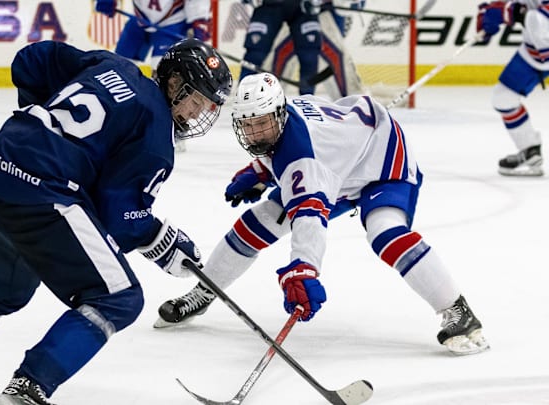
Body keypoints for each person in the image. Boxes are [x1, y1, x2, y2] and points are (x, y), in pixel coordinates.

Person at [0, 38, 232, 405]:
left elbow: (31, 59)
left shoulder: (112, 65)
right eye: (195, 99)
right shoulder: (157, 136)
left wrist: (43, 131)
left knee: (0, 292)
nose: (195, 113)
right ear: (173, 83)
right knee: (120, 298)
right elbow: (119, 215)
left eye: (206, 106)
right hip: (44, 193)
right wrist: (162, 241)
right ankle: (28, 387)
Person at [155, 72, 490, 356]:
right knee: (254, 225)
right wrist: (260, 170)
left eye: (262, 123)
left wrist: (304, 271)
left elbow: (309, 218)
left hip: (383, 160)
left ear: (278, 114)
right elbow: (310, 144)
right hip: (342, 164)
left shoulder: (304, 163)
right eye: (248, 124)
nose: (256, 133)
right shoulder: (286, 119)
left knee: (385, 232)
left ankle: (457, 310)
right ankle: (205, 291)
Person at [476, 0, 548, 176]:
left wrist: (513, 12)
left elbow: (537, 19)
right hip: (533, 52)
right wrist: (496, 10)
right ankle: (530, 150)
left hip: (542, 50)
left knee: (534, 18)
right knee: (503, 98)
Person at [95, 0, 212, 71]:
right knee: (119, 64)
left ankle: (161, 108)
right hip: (139, 20)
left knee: (163, 69)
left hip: (172, 23)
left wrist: (199, 18)